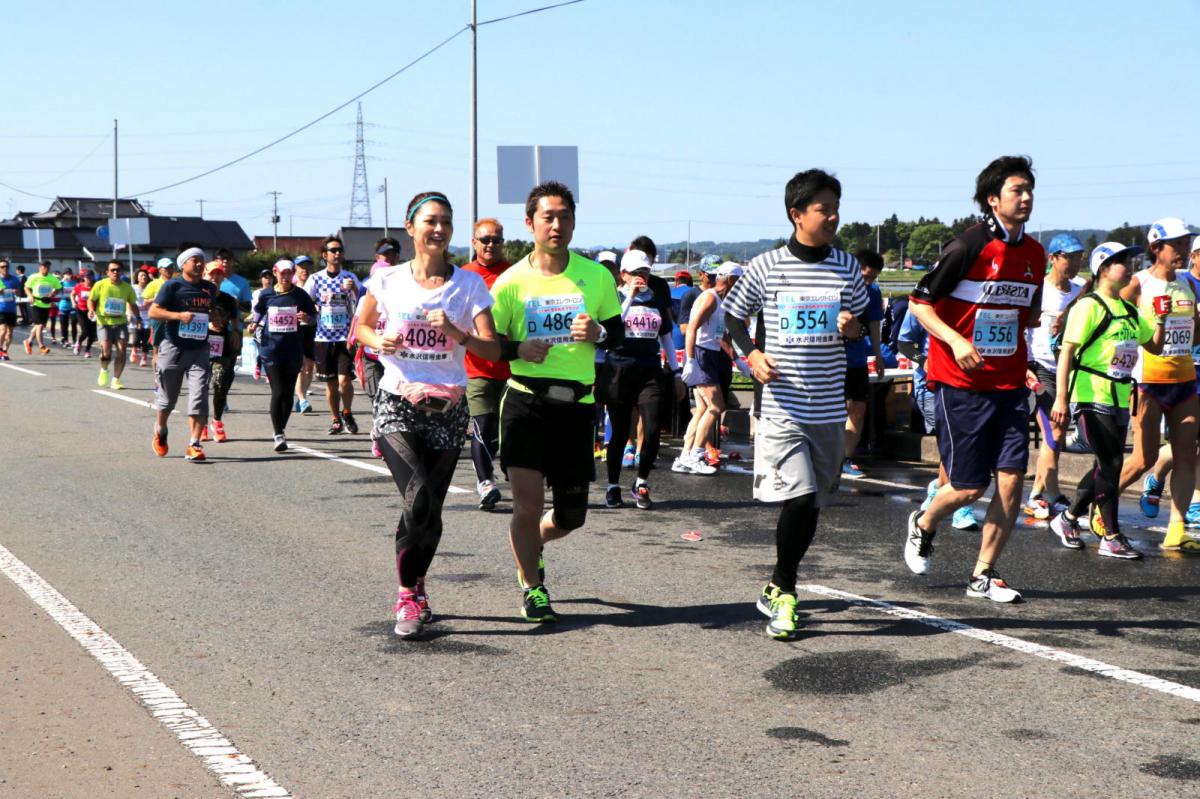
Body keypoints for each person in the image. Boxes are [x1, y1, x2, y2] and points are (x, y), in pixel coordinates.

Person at [354, 191, 531, 638]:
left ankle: (417, 581)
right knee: (416, 499)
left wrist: (456, 332)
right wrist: (380, 343)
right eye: (430, 221)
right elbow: (362, 327)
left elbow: (491, 348)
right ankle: (407, 595)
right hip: (397, 399)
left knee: (430, 510)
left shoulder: (468, 285)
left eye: (446, 222)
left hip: (449, 406)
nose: (439, 229)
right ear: (410, 227)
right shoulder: (389, 280)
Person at [724, 168, 868, 639]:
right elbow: (734, 318)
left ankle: (775, 582)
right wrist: (752, 354)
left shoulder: (846, 266)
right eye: (823, 208)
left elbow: (864, 324)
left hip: (827, 405)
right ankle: (786, 592)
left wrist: (853, 330)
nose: (833, 216)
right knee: (800, 496)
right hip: (782, 403)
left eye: (835, 207)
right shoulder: (766, 266)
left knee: (812, 505)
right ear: (796, 214)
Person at [904, 155, 1045, 603]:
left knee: (1011, 481)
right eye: (1016, 191)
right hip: (960, 382)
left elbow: (1027, 316)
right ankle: (924, 522)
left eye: (1029, 191)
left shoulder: (1035, 255)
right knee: (967, 487)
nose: (1025, 199)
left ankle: (983, 573)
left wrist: (1025, 351)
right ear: (992, 199)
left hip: (1008, 385)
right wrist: (958, 341)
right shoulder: (967, 246)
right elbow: (919, 304)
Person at [489, 181, 624, 623]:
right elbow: (487, 343)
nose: (557, 224)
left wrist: (599, 334)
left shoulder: (596, 276)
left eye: (565, 216)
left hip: (576, 406)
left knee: (571, 516)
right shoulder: (511, 283)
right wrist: (517, 351)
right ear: (529, 223)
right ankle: (533, 586)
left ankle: (534, 544)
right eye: (548, 216)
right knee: (526, 506)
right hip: (526, 402)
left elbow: (617, 332)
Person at [1049, 242, 1166, 557]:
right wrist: (1061, 399)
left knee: (1106, 464)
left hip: (1119, 396)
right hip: (1089, 395)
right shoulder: (1088, 306)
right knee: (1113, 462)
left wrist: (1160, 318)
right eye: (1122, 263)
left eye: (1130, 262)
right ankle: (1110, 536)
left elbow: (1153, 347)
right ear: (1103, 269)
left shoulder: (1129, 310)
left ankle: (1068, 517)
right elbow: (1067, 354)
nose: (1129, 268)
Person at [1112, 218, 1200, 552]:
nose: (1183, 249)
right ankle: (1100, 506)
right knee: (1143, 459)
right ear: (1155, 248)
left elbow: (1194, 333)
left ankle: (1176, 530)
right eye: (1175, 244)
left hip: (1184, 379)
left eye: (1186, 242)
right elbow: (1114, 326)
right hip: (1148, 381)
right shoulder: (1137, 284)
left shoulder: (1187, 285)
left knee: (1186, 454)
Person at [601, 249, 679, 509]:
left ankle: (641, 481)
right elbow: (613, 326)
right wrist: (631, 297)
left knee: (654, 427)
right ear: (623, 274)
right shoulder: (614, 297)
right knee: (621, 432)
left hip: (650, 371)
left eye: (644, 272)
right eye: (635, 273)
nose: (641, 277)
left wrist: (677, 372)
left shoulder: (656, 300)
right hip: (619, 369)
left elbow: (666, 336)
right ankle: (613, 485)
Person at [897, 309, 983, 532]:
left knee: (956, 445)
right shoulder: (923, 304)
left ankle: (940, 492)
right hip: (932, 385)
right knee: (955, 444)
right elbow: (904, 343)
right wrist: (924, 360)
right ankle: (958, 504)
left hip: (969, 383)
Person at [1023, 233, 1085, 519]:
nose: (1074, 263)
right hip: (1041, 367)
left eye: (1078, 258)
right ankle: (1045, 494)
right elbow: (1022, 327)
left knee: (1057, 435)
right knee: (1055, 429)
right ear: (1053, 258)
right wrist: (1023, 366)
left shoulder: (1079, 290)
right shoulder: (1038, 290)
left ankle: (1042, 492)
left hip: (1070, 370)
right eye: (1069, 257)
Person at [148, 247, 217, 462]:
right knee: (168, 400)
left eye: (201, 260)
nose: (199, 264)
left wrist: (216, 319)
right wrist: (178, 315)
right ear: (183, 264)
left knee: (199, 396)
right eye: (194, 260)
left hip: (200, 349)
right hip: (174, 347)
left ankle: (194, 444)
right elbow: (153, 311)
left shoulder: (209, 288)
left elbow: (211, 310)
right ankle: (160, 429)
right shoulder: (172, 285)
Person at [462, 217, 512, 510]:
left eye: (496, 240)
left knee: (508, 428)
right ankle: (485, 482)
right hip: (477, 366)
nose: (490, 245)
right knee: (483, 423)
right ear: (474, 243)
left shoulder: (515, 274)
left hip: (513, 366)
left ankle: (510, 471)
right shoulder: (464, 276)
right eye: (485, 240)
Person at [675, 263, 741, 473]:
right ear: (730, 279)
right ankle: (696, 455)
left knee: (704, 408)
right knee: (716, 406)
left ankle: (685, 455)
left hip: (710, 353)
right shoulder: (711, 298)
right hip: (702, 354)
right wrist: (691, 360)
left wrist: (738, 360)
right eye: (740, 281)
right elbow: (692, 327)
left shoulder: (723, 300)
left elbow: (721, 335)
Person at [250, 259, 318, 451]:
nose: (286, 276)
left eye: (289, 273)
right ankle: (278, 433)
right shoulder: (266, 294)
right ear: (275, 272)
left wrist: (306, 318)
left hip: (292, 349)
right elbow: (258, 312)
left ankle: (281, 428)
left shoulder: (300, 295)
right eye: (283, 273)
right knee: (278, 391)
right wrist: (254, 323)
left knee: (288, 394)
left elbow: (313, 318)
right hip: (270, 348)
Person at [305, 236, 361, 434]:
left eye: (340, 250)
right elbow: (306, 302)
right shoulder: (315, 279)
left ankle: (347, 412)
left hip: (344, 337)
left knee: (345, 380)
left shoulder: (349, 277)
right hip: (323, 338)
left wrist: (353, 289)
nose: (337, 254)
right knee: (331, 383)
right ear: (324, 255)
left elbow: (363, 300)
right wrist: (313, 306)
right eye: (333, 250)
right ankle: (335, 418)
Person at [841, 249, 886, 478]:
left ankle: (845, 458)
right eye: (866, 275)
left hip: (857, 359)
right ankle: (826, 456)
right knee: (834, 411)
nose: (869, 281)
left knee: (858, 409)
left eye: (873, 277)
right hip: (831, 359)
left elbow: (875, 325)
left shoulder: (873, 292)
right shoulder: (838, 287)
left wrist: (877, 356)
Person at [201, 260, 242, 443]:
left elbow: (235, 321)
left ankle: (216, 421)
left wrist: (235, 332)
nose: (215, 277)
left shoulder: (228, 299)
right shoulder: (197, 297)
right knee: (200, 386)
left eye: (218, 274)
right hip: (200, 347)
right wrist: (206, 324)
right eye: (211, 274)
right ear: (204, 275)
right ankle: (201, 423)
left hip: (222, 347)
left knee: (220, 384)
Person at [87, 260, 140, 390]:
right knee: (106, 353)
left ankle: (116, 380)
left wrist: (138, 318)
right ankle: (104, 369)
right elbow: (91, 299)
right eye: (112, 270)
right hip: (104, 322)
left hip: (121, 322)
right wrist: (91, 310)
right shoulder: (100, 284)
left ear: (121, 272)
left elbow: (133, 304)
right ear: (107, 272)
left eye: (117, 270)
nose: (115, 272)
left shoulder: (127, 287)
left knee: (122, 351)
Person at [292, 255, 317, 412]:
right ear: (295, 269)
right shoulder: (291, 287)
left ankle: (302, 397)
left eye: (308, 267)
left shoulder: (316, 285)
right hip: (295, 331)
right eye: (302, 267)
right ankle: (302, 399)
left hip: (311, 329)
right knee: (301, 366)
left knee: (309, 367)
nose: (305, 270)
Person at [23, 261, 62, 355]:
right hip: (36, 303)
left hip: (46, 304)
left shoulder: (52, 278)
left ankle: (28, 341)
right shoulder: (34, 276)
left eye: (48, 267)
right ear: (40, 267)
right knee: (40, 325)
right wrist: (30, 296)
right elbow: (26, 287)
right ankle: (41, 346)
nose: (46, 269)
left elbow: (58, 288)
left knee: (39, 326)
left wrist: (53, 294)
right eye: (44, 267)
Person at [131, 268, 153, 366]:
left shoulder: (150, 287)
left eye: (145, 276)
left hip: (147, 316)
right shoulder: (133, 288)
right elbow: (129, 301)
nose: (143, 277)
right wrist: (128, 313)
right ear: (137, 278)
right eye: (141, 276)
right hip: (135, 315)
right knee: (136, 337)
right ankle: (134, 350)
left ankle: (144, 358)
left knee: (145, 339)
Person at [72, 272, 97, 358]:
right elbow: (72, 294)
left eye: (91, 277)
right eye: (87, 277)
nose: (89, 279)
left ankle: (87, 350)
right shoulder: (79, 286)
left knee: (92, 334)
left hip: (93, 311)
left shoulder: (96, 287)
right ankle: (78, 343)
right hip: (81, 310)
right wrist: (73, 302)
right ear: (84, 278)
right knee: (85, 330)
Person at [0, 260, 19, 359]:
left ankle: (5, 351)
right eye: (2, 267)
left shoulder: (14, 279)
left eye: (6, 266)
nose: (5, 268)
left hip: (11, 308)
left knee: (10, 332)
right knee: (3, 329)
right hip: (1, 308)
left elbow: (19, 293)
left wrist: (16, 291)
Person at [56, 269, 78, 347]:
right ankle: (65, 340)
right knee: (64, 324)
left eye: (70, 274)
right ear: (64, 274)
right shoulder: (61, 283)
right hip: (63, 305)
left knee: (73, 323)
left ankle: (74, 340)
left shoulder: (75, 283)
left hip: (73, 305)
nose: (69, 275)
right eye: (67, 274)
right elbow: (55, 292)